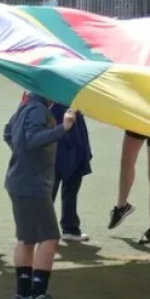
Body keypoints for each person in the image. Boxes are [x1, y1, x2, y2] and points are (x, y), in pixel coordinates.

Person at [4, 92, 78, 299]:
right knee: (49, 238)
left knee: (26, 239)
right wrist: (63, 128)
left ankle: (23, 294)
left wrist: (21, 154)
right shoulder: (39, 111)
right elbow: (32, 139)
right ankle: (38, 295)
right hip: (33, 185)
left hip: (19, 181)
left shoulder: (24, 106)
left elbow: (9, 133)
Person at [52, 103, 93, 242]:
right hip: (57, 140)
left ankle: (70, 228)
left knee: (71, 187)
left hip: (74, 138)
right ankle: (42, 232)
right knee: (48, 192)